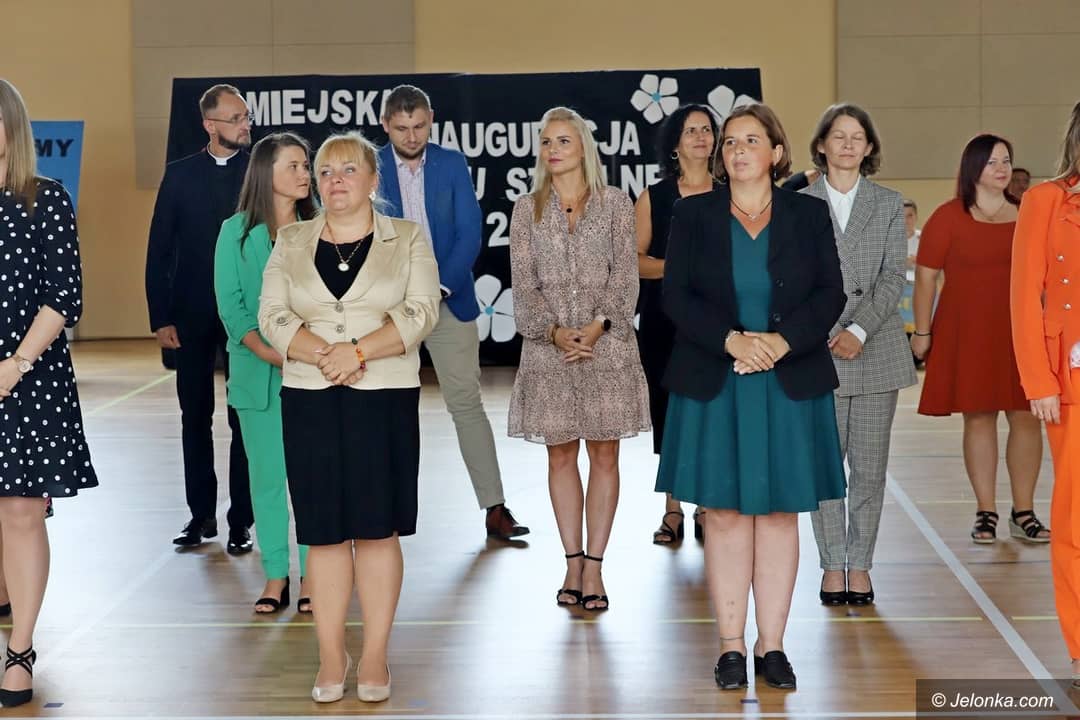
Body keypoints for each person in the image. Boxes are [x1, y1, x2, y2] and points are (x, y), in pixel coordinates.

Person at [657, 104, 845, 691]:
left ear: (776, 153)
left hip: (788, 380)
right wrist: (732, 340)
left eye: (751, 140)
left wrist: (781, 343)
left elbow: (830, 293)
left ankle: (774, 646)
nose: (738, 150)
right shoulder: (692, 214)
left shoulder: (809, 215)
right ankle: (731, 646)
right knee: (725, 514)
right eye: (730, 142)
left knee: (781, 513)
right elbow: (675, 296)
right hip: (718, 378)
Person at [259, 131, 439, 703]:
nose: (335, 180)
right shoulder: (291, 239)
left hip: (383, 396)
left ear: (373, 180)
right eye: (326, 171)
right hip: (310, 397)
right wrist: (324, 355)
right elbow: (272, 315)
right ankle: (331, 655)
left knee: (377, 529)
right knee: (325, 533)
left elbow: (422, 311)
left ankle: (377, 654)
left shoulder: (406, 237)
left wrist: (357, 352)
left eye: (348, 169)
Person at [509, 106, 649, 612]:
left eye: (563, 141)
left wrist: (596, 326)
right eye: (546, 142)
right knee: (560, 456)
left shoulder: (615, 204)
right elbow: (523, 284)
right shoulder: (526, 210)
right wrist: (553, 332)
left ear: (584, 147)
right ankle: (571, 563)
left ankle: (595, 565)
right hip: (548, 353)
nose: (553, 150)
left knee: (605, 456)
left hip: (606, 349)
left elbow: (626, 275)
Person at [377, 85, 527, 540]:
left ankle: (495, 507)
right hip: (388, 309)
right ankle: (383, 510)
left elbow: (470, 231)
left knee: (466, 403)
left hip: (449, 299)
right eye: (401, 128)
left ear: (431, 120)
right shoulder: (369, 166)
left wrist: (439, 286)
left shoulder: (451, 162)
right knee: (387, 409)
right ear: (385, 125)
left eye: (419, 126)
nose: (411, 136)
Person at [0, 78, 98, 708]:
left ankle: (20, 651)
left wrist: (14, 365)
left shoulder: (44, 199)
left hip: (28, 379)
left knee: (21, 512)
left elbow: (63, 297)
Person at [801, 104, 916, 606]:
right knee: (825, 467)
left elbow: (893, 276)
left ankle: (861, 564)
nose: (848, 144)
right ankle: (832, 565)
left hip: (876, 349)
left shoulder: (888, 203)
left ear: (869, 147)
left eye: (857, 137)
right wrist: (829, 329)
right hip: (817, 348)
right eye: (838, 135)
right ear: (821, 144)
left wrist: (859, 329)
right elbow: (793, 278)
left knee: (869, 469)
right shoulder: (799, 204)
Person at [912, 134, 1047, 544]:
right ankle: (985, 511)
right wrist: (922, 332)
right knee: (979, 416)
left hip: (1021, 332)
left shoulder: (1028, 215)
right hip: (968, 331)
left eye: (1006, 160)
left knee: (1026, 417)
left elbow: (1046, 277)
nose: (1002, 168)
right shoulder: (947, 217)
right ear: (973, 167)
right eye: (992, 162)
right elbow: (926, 278)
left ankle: (1024, 512)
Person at [146, 84, 254, 552]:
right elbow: (159, 248)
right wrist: (160, 316)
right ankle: (200, 515)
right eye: (235, 118)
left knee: (243, 417)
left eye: (246, 117)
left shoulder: (259, 172)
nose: (244, 125)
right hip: (190, 314)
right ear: (210, 125)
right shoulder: (180, 175)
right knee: (195, 416)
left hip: (246, 316)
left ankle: (241, 520)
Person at [214, 132, 318, 613]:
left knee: (312, 479)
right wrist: (278, 354)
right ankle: (277, 575)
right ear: (265, 173)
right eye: (293, 166)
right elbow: (233, 312)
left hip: (316, 376)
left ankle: (315, 574)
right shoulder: (234, 233)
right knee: (268, 481)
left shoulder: (320, 227)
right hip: (258, 378)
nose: (305, 173)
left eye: (305, 165)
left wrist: (306, 354)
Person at [1012, 100, 1080, 682]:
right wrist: (1039, 380)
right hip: (1071, 381)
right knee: (1076, 519)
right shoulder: (1046, 201)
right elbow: (1023, 296)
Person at [635, 104, 720, 545]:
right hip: (664, 323)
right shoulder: (655, 197)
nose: (701, 137)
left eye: (707, 129)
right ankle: (672, 509)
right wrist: (679, 269)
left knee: (710, 413)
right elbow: (634, 262)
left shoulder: (731, 192)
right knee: (669, 415)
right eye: (691, 131)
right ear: (675, 144)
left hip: (719, 324)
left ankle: (706, 506)